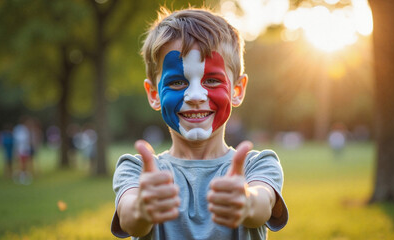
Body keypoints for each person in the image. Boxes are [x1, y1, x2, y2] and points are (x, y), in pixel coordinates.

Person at [111, 7, 288, 239]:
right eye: (176, 83)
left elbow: (261, 203)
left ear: (237, 89)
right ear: (154, 94)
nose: (195, 95)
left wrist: (246, 202)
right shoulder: (137, 171)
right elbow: (130, 218)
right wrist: (143, 209)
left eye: (212, 80)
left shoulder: (258, 166)